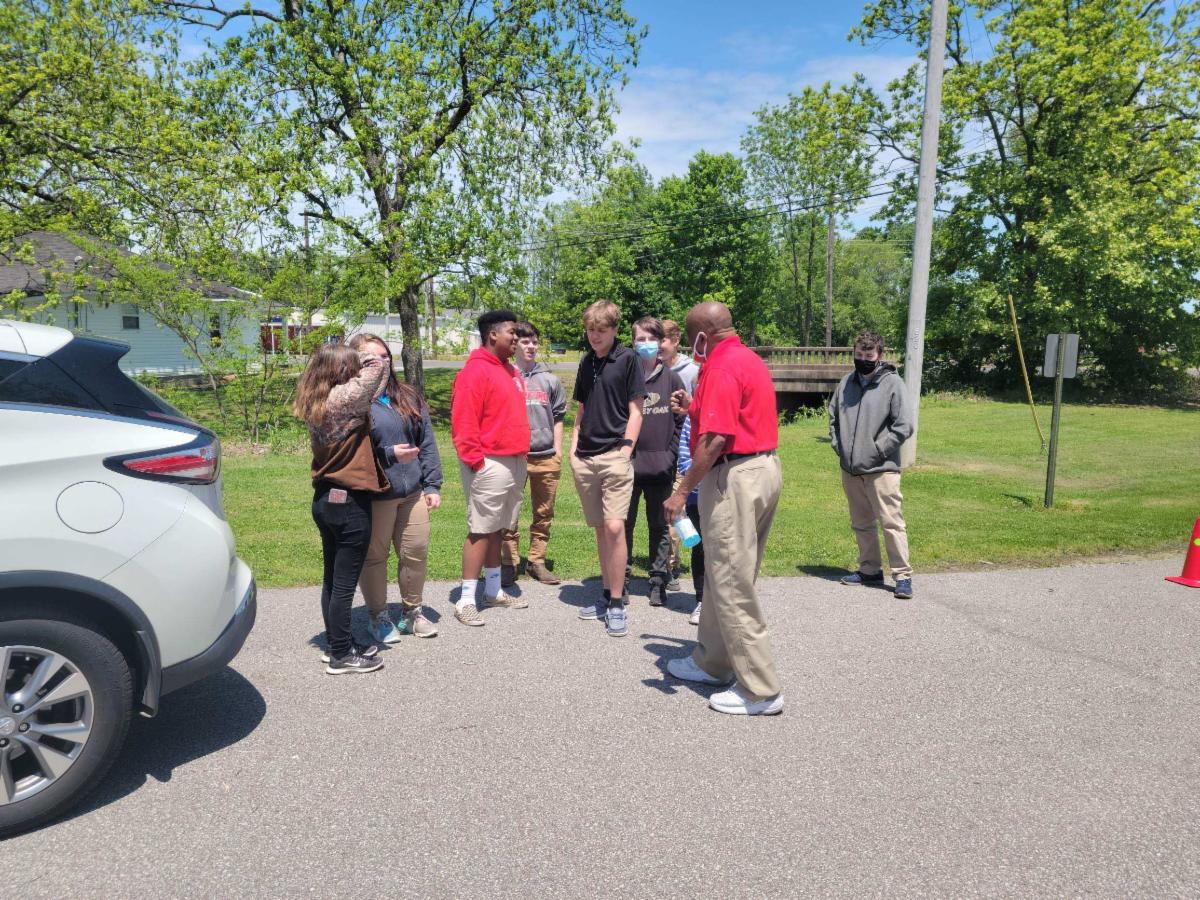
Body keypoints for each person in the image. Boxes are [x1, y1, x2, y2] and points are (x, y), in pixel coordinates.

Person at [664, 301, 784, 716]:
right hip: (762, 467)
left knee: (731, 580)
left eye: (689, 333)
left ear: (702, 335)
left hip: (734, 474)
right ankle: (713, 662)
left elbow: (715, 440)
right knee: (723, 571)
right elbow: (736, 413)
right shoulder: (746, 357)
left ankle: (761, 689)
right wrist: (693, 408)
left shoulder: (718, 366)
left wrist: (681, 492)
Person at [294, 342, 390, 674]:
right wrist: (358, 350)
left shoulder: (317, 400)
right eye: (349, 365)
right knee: (344, 584)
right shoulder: (344, 399)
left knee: (332, 580)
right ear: (340, 369)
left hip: (326, 498)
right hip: (349, 501)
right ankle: (340, 654)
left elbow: (375, 382)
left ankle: (339, 641)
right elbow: (378, 366)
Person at [348, 333, 443, 643]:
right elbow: (352, 452)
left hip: (413, 491)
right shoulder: (354, 400)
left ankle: (412, 612)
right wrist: (389, 455)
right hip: (376, 494)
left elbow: (426, 442)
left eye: (386, 356)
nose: (382, 363)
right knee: (375, 557)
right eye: (372, 358)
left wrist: (432, 484)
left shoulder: (407, 395)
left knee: (415, 552)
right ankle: (378, 616)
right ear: (357, 363)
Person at [450, 309, 531, 626]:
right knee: (481, 530)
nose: (517, 337)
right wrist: (476, 462)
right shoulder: (475, 372)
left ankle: (493, 591)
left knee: (499, 527)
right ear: (492, 334)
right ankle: (466, 600)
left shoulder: (509, 371)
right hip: (489, 462)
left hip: (513, 460)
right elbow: (464, 422)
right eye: (512, 331)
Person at [570, 300, 646, 637]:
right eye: (590, 330)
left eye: (601, 330)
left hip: (616, 454)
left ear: (615, 330)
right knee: (601, 529)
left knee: (615, 527)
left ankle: (617, 603)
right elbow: (582, 408)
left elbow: (637, 409)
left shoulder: (628, 359)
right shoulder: (586, 363)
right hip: (585, 456)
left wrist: (627, 448)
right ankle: (605, 594)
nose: (595, 336)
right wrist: (573, 450)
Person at [829, 331, 915, 599]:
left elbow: (904, 426)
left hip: (882, 469)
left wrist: (878, 451)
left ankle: (902, 576)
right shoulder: (846, 383)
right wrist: (839, 446)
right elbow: (833, 417)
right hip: (851, 469)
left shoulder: (892, 384)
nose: (862, 359)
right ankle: (869, 569)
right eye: (859, 354)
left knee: (892, 523)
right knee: (861, 522)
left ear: (879, 356)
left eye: (868, 355)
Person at [623, 316, 684, 606]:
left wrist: (670, 454)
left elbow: (681, 422)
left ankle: (658, 579)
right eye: (640, 339)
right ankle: (620, 579)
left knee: (660, 526)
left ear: (660, 342)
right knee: (623, 525)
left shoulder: (672, 378)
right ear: (632, 342)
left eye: (651, 338)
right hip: (626, 467)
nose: (645, 344)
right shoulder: (625, 376)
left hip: (661, 467)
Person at [501, 321, 566, 586]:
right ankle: (509, 562)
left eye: (535, 342)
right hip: (514, 456)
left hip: (545, 456)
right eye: (525, 342)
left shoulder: (549, 379)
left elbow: (560, 416)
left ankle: (536, 562)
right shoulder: (504, 376)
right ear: (515, 345)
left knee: (544, 512)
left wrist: (558, 450)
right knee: (509, 512)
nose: (531, 346)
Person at [661, 318, 699, 589]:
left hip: (684, 450)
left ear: (675, 341)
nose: (657, 346)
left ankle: (672, 567)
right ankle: (666, 563)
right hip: (658, 450)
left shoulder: (692, 372)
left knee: (677, 510)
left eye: (661, 339)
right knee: (666, 512)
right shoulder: (646, 370)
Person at [676, 415, 705, 626]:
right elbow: (684, 457)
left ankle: (724, 602)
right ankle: (702, 600)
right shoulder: (691, 418)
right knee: (701, 547)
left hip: (724, 493)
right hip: (697, 494)